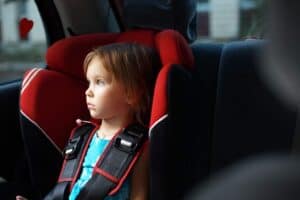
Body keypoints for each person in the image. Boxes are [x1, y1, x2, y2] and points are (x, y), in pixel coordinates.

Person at [16, 42, 160, 200]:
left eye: (99, 82)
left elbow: (139, 195)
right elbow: (72, 188)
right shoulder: (83, 136)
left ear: (131, 93)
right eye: (89, 82)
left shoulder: (139, 146)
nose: (88, 91)